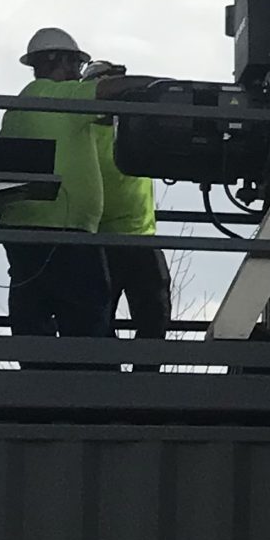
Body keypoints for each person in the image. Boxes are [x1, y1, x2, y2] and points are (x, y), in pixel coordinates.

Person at [0, 28, 114, 347]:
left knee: (32, 315)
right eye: (76, 66)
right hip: (64, 232)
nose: (78, 75)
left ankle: (37, 385)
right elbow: (110, 96)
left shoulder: (20, 104)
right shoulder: (62, 96)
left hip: (21, 229)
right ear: (61, 61)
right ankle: (89, 389)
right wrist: (114, 81)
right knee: (89, 324)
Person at [86, 59, 171, 368]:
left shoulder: (135, 125)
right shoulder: (84, 130)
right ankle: (109, 380)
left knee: (155, 315)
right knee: (99, 319)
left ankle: (143, 379)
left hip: (140, 239)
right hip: (101, 240)